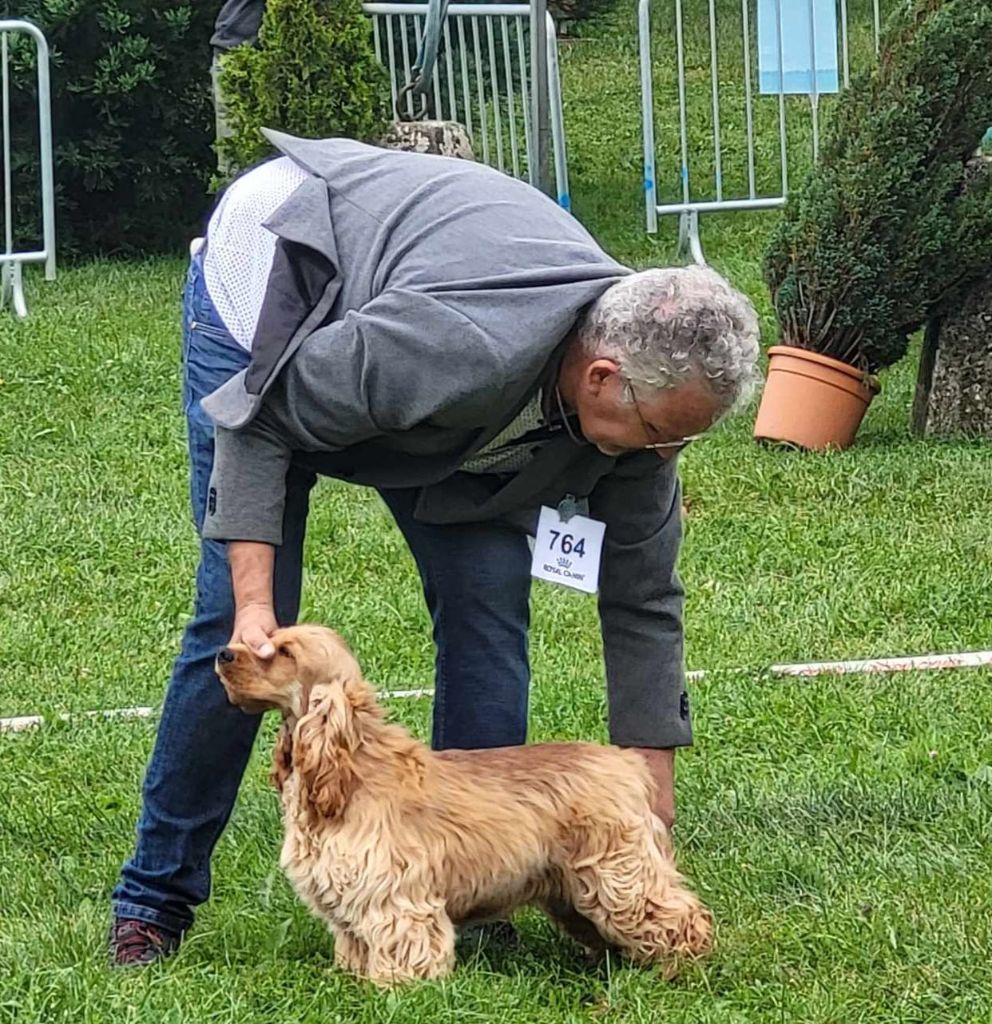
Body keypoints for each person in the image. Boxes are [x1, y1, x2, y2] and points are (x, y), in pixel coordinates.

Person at [109, 131, 760, 966]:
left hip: (451, 398)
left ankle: (471, 884)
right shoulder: (453, 344)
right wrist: (253, 606)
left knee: (488, 594)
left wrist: (648, 772)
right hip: (277, 290)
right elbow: (260, 418)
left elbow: (643, 596)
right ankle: (153, 900)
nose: (664, 459)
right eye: (661, 435)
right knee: (245, 644)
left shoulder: (641, 409)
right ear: (603, 380)